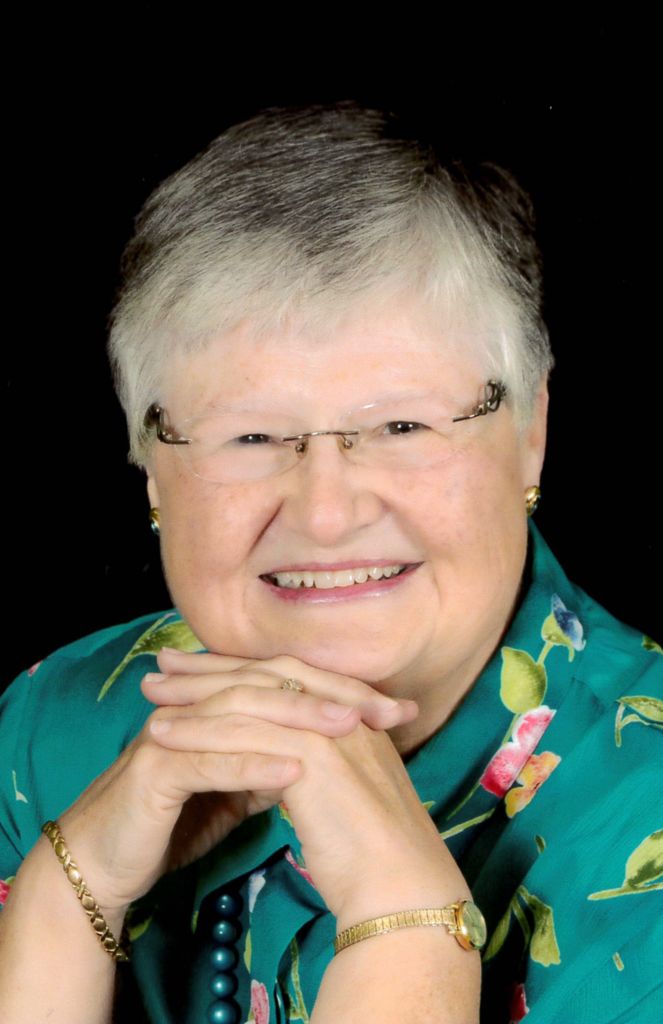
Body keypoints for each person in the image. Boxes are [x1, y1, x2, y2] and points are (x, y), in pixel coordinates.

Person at [0, 101, 661, 1024]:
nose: (325, 512)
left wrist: (408, 925)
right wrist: (61, 897)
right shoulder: (47, 734)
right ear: (150, 466)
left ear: (530, 432)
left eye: (401, 425)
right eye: (251, 436)